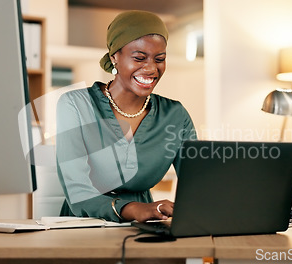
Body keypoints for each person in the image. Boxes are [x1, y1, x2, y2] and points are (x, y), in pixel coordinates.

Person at [56, 10, 197, 223]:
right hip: (82, 225)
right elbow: (77, 191)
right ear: (115, 57)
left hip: (145, 225)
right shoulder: (75, 105)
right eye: (139, 58)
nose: (151, 68)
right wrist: (133, 209)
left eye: (160, 59)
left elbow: (199, 183)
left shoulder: (175, 115)